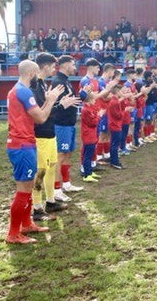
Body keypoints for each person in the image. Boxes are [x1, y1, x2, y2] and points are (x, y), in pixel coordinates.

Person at [5, 60, 64, 244]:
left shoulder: (16, 90)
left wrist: (48, 100)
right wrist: (51, 99)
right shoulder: (23, 91)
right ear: (31, 73)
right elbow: (40, 118)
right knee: (23, 190)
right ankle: (13, 234)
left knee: (29, 187)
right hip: (22, 145)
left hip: (24, 143)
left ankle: (27, 224)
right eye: (36, 73)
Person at [31, 53, 78, 221]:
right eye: (52, 66)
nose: (54, 69)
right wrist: (60, 106)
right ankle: (37, 208)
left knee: (51, 167)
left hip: (50, 134)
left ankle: (50, 201)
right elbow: (41, 114)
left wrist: (58, 104)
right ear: (45, 66)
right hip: (41, 135)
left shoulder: (43, 84)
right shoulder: (35, 86)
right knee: (41, 171)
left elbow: (48, 108)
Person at [52, 55, 85, 202]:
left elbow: (72, 102)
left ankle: (66, 183)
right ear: (65, 65)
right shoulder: (58, 82)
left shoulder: (67, 82)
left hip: (70, 124)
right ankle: (56, 189)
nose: (75, 67)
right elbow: (56, 105)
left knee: (68, 154)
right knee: (60, 156)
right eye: (73, 64)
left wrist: (83, 95)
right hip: (61, 125)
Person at [80, 92, 105, 182]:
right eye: (94, 99)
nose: (95, 101)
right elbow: (93, 122)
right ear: (90, 100)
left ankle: (89, 172)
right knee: (87, 156)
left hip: (91, 135)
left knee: (89, 155)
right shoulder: (86, 110)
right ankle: (87, 175)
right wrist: (99, 115)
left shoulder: (88, 108)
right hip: (88, 136)